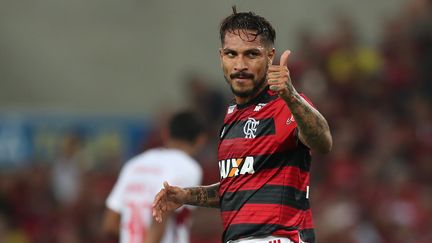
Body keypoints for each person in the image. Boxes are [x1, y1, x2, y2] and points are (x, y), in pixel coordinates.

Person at [152, 7, 332, 243]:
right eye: (231, 54)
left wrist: (291, 96)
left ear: (269, 57)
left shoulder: (283, 103)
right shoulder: (230, 117)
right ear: (221, 57)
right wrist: (187, 195)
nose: (240, 65)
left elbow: (323, 142)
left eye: (251, 54)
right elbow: (234, 188)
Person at [103, 110, 206, 243]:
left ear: (166, 134)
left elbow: (109, 224)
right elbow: (160, 219)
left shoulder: (133, 165)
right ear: (200, 140)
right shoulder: (189, 168)